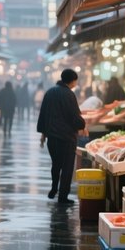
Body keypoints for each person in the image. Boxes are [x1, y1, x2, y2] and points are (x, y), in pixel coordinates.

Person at [36, 69, 87, 203]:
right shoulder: (69, 95)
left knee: (56, 164)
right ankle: (63, 196)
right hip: (67, 138)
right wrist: (82, 124)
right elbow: (74, 117)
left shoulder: (50, 92)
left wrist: (43, 135)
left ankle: (54, 188)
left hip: (52, 138)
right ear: (72, 80)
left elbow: (43, 115)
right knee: (67, 167)